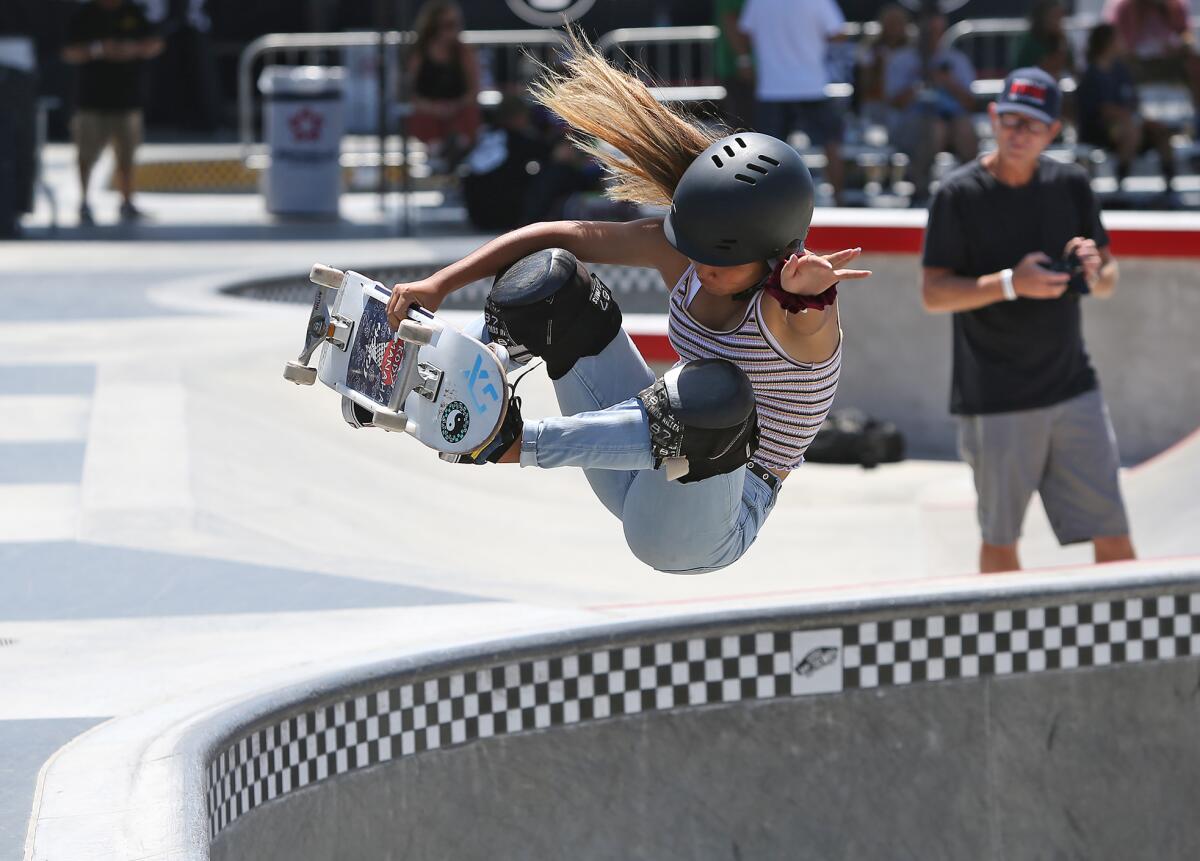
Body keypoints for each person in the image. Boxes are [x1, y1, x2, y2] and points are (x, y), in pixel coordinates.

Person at [382, 31, 871, 574]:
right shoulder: (680, 254)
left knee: (713, 393)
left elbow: (814, 321)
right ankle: (440, 363)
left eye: (721, 261)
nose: (702, 270)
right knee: (557, 281)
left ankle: (509, 444)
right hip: (639, 470)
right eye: (696, 251)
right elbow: (557, 233)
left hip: (707, 524)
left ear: (773, 255)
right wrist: (439, 285)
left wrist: (811, 293)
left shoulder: (793, 317)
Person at [921, 67, 1136, 575]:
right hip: (995, 400)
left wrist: (1094, 271)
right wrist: (1011, 283)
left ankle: (1130, 651)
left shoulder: (1071, 184)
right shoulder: (957, 195)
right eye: (1010, 120)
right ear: (993, 117)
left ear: (1052, 132)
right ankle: (1001, 651)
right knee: (1000, 542)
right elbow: (933, 294)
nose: (1018, 134)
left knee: (1116, 538)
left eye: (1032, 125)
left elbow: (1108, 276)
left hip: (1073, 387)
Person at [61, 0, 163, 225]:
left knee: (127, 155)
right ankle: (84, 202)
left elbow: (155, 43)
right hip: (90, 100)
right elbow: (68, 52)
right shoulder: (84, 15)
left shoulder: (134, 12)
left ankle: (127, 202)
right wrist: (98, 50)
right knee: (86, 155)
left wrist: (132, 49)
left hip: (127, 99)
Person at [738, 0, 848, 204]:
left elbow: (745, 31)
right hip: (811, 85)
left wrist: (746, 59)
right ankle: (839, 200)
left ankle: (764, 203)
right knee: (831, 143)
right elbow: (838, 32)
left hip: (772, 88)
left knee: (766, 152)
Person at [884, 2, 978, 205]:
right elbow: (893, 102)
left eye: (936, 31)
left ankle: (971, 192)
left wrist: (947, 82)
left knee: (964, 127)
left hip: (952, 122)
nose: (931, 37)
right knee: (934, 127)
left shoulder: (957, 60)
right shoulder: (901, 60)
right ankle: (921, 192)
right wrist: (918, 83)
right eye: (927, 31)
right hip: (911, 125)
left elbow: (971, 103)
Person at [1077, 23, 1177, 201]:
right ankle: (1120, 185)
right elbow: (1101, 111)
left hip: (1130, 125)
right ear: (1107, 43)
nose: (1122, 42)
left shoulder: (1121, 70)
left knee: (1160, 131)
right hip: (1100, 131)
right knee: (1130, 131)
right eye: (1118, 38)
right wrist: (1128, 118)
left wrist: (1141, 119)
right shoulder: (1091, 74)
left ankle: (1170, 189)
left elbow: (1133, 103)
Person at [405, 0, 481, 171]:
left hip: (459, 108)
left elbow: (473, 90)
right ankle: (439, 153)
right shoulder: (420, 52)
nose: (454, 30)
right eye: (448, 25)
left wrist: (454, 106)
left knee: (466, 117)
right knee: (425, 120)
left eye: (456, 24)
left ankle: (456, 153)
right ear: (434, 26)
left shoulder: (464, 52)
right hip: (427, 111)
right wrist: (433, 108)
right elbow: (411, 92)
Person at [1104, 0, 1200, 134]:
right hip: (1137, 64)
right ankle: (1131, 126)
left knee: (1195, 63)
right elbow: (1117, 43)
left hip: (1168, 61)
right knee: (1118, 67)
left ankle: (1196, 124)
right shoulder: (1123, 7)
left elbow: (1186, 35)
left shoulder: (1174, 6)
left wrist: (1180, 45)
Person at [854, 3, 912, 128]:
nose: (894, 27)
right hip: (876, 105)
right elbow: (864, 86)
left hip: (906, 106)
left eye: (898, 22)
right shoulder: (869, 49)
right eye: (890, 22)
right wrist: (880, 67)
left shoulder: (913, 51)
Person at [713, 0, 754, 130]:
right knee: (745, 127)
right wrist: (744, 59)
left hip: (751, 68)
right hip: (741, 69)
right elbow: (730, 18)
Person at [1014, 0, 1076, 79]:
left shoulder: (1062, 39)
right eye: (1054, 16)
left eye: (1060, 16)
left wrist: (1062, 42)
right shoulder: (1029, 41)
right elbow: (1043, 69)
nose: (1058, 22)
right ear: (1043, 17)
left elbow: (1072, 68)